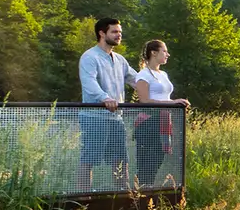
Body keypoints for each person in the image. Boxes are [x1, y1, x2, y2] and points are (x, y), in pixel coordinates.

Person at [77, 16, 138, 190]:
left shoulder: (120, 60)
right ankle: (84, 198)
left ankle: (123, 198)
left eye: (120, 32)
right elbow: (89, 82)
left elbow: (137, 80)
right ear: (102, 33)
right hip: (94, 117)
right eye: (115, 31)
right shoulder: (90, 57)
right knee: (89, 159)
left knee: (120, 159)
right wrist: (105, 98)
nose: (119, 35)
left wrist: (163, 97)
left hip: (116, 118)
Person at [128, 38, 189, 189]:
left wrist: (175, 104)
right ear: (154, 53)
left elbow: (165, 96)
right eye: (164, 51)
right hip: (149, 122)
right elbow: (144, 100)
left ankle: (148, 195)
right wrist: (173, 103)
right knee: (147, 163)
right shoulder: (144, 75)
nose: (167, 54)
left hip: (163, 121)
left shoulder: (163, 74)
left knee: (157, 160)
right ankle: (141, 195)